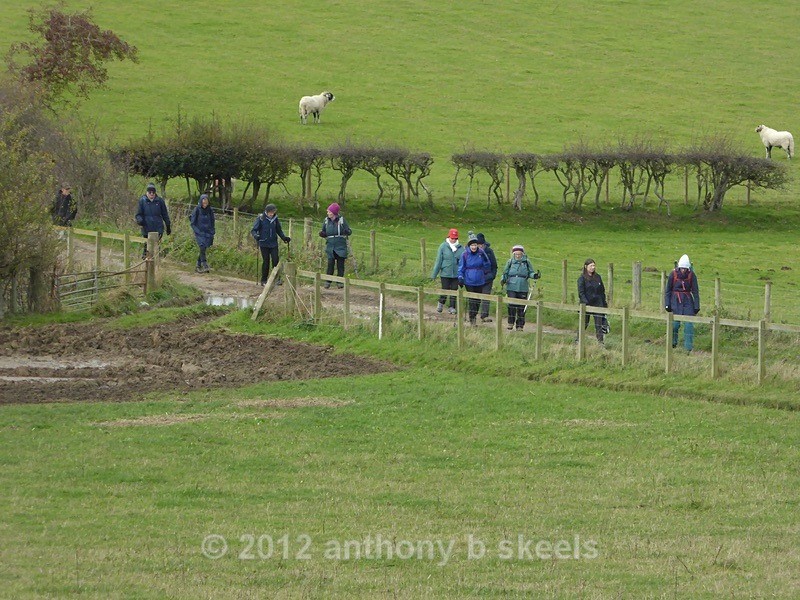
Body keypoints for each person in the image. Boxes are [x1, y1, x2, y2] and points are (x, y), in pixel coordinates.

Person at [665, 254, 700, 352]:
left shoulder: (692, 275)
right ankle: (672, 344)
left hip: (688, 302)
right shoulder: (673, 274)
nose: (683, 270)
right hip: (675, 301)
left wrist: (697, 306)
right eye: (682, 268)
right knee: (674, 325)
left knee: (689, 325)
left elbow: (695, 291)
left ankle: (688, 348)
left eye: (685, 268)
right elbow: (668, 290)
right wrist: (667, 304)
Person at [500, 245, 540, 331]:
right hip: (511, 286)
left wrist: (535, 275)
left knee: (522, 307)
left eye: (519, 254)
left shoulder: (527, 262)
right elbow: (505, 272)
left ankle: (520, 325)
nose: (518, 256)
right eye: (516, 254)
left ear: (522, 254)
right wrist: (503, 280)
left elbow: (530, 273)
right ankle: (510, 323)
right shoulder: (510, 262)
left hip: (523, 287)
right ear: (513, 254)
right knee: (511, 305)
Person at [251, 203, 290, 285]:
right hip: (263, 243)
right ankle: (264, 280)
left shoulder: (275, 219)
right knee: (266, 261)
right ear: (266, 212)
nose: (272, 214)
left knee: (275, 260)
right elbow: (254, 230)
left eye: (273, 212)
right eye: (270, 212)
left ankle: (277, 279)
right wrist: (256, 236)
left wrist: (284, 238)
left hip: (273, 243)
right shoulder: (261, 218)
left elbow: (278, 230)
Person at [458, 233, 491, 326]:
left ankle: (474, 315)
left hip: (480, 280)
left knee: (477, 300)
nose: (474, 247)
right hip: (469, 280)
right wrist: (460, 277)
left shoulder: (481, 253)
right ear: (469, 245)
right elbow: (461, 267)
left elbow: (487, 266)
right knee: (472, 300)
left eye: (475, 245)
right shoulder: (465, 254)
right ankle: (472, 319)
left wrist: (485, 260)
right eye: (472, 245)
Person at [430, 228, 464, 315]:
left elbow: (463, 262)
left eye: (455, 238)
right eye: (452, 238)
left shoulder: (461, 248)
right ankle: (441, 303)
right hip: (445, 273)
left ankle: (452, 307)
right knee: (445, 289)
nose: (453, 240)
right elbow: (439, 261)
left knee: (454, 290)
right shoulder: (443, 246)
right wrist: (434, 275)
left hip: (456, 273)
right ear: (449, 237)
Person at [319, 202, 351, 288]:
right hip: (330, 246)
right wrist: (322, 233)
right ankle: (328, 282)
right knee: (330, 264)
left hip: (340, 245)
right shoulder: (326, 221)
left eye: (329, 211)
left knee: (340, 264)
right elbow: (324, 231)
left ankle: (339, 282)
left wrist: (347, 232)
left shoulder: (342, 220)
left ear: (334, 212)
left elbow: (349, 231)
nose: (328, 213)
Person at [135, 183, 171, 259]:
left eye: (153, 192)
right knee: (147, 246)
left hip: (158, 227)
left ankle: (157, 262)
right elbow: (138, 214)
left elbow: (165, 214)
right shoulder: (142, 201)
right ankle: (145, 263)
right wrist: (140, 220)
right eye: (150, 192)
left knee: (156, 245)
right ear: (147, 192)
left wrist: (168, 226)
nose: (151, 194)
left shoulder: (160, 201)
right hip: (146, 227)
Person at [577, 258, 609, 344]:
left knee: (599, 324)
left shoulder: (598, 277)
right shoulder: (582, 279)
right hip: (586, 304)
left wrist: (604, 304)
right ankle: (578, 340)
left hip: (597, 304)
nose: (593, 267)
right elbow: (581, 293)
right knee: (584, 323)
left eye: (594, 266)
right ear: (586, 266)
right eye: (591, 266)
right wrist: (585, 304)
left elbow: (602, 291)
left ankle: (600, 342)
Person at [190, 194, 215, 273]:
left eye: (206, 203)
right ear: (201, 202)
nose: (204, 205)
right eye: (203, 203)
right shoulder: (196, 209)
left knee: (204, 248)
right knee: (202, 246)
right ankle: (204, 264)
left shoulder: (210, 210)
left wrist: (212, 231)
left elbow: (212, 221)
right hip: (199, 232)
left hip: (207, 233)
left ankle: (198, 265)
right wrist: (197, 231)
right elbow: (192, 223)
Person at [476, 233, 498, 323]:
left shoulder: (489, 252)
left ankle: (484, 315)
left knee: (486, 296)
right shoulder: (472, 252)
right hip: (475, 278)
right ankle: (473, 314)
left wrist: (492, 276)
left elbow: (494, 265)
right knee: (475, 297)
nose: (480, 246)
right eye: (478, 244)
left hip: (487, 278)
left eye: (481, 244)